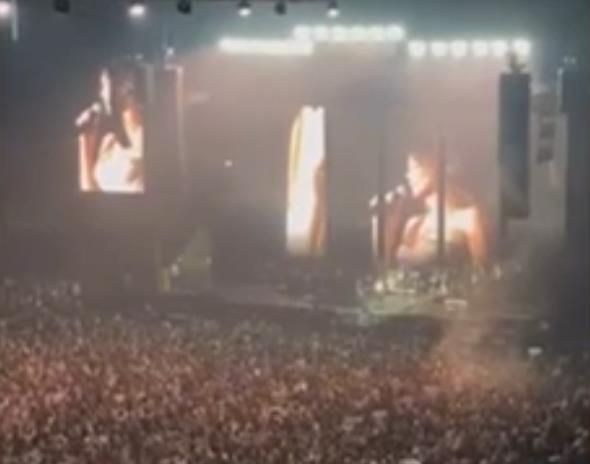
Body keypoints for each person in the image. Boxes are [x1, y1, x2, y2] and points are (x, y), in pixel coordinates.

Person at [380, 153, 488, 270]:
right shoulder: (413, 224)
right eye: (408, 170)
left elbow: (482, 272)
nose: (408, 176)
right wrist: (387, 219)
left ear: (435, 168)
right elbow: (386, 268)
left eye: (414, 168)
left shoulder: (467, 219)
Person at [77, 58, 145, 193]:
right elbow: (89, 189)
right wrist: (84, 137)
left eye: (104, 85)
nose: (102, 94)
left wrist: (124, 102)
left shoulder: (143, 133)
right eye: (102, 86)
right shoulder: (108, 143)